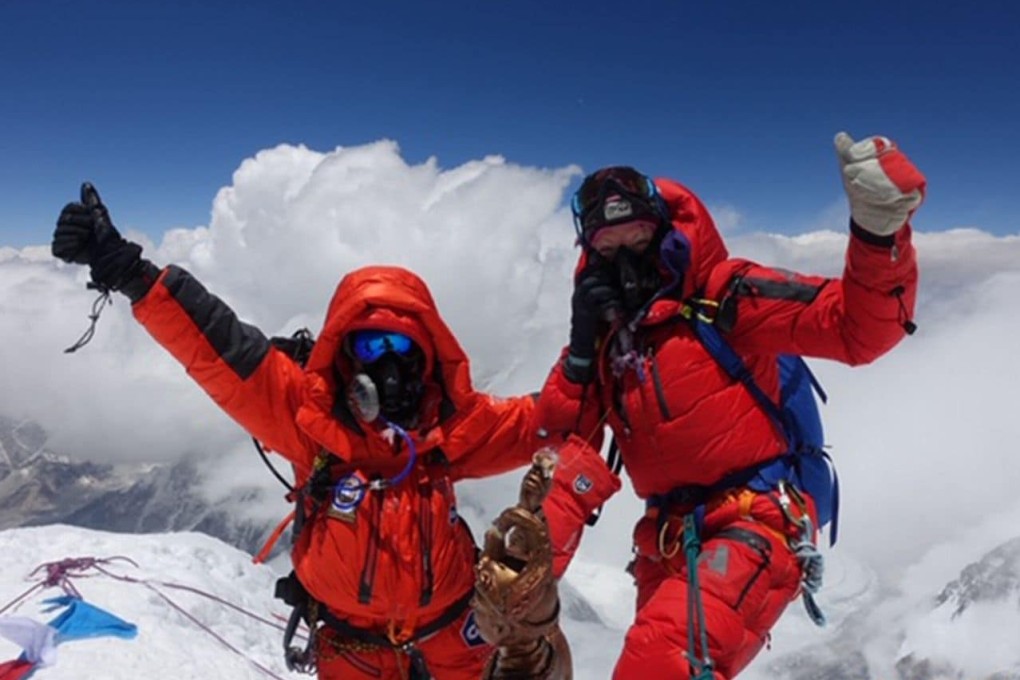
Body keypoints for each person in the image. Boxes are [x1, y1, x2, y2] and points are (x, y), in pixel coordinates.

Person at [49, 185, 578, 679]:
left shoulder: (451, 426)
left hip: (456, 640)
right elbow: (219, 347)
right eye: (371, 348)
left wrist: (598, 361)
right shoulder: (309, 418)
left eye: (404, 350)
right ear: (345, 355)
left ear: (428, 357)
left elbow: (547, 418)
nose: (389, 369)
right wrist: (129, 272)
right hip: (352, 649)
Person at [533, 132, 924, 679]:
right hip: (666, 538)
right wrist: (580, 351)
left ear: (664, 231)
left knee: (659, 662)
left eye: (638, 236)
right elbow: (563, 445)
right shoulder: (606, 336)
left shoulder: (726, 294)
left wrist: (878, 234)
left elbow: (857, 329)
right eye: (607, 246)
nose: (624, 259)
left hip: (756, 518)